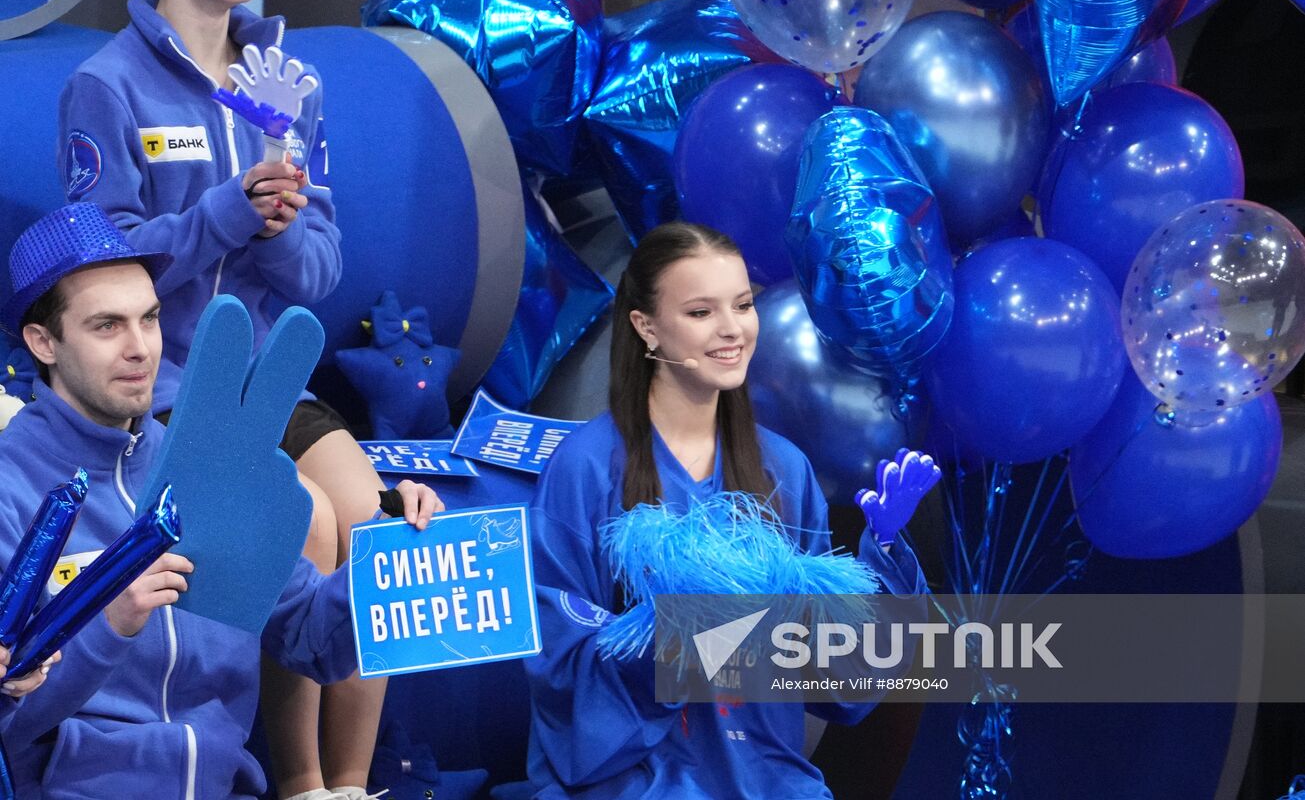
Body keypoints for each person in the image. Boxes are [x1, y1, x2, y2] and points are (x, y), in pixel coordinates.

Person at [56, 0, 397, 800]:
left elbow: (319, 271)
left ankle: (351, 785)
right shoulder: (108, 84)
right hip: (169, 390)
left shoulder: (286, 83)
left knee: (369, 524)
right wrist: (228, 213)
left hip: (272, 377)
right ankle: (295, 782)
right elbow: (100, 266)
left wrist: (279, 228)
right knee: (306, 524)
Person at [0, 203, 440, 799]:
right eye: (107, 326)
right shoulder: (11, 491)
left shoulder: (211, 463)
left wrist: (389, 555)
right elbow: (10, 724)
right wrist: (111, 623)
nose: (140, 348)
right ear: (42, 343)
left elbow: (313, 643)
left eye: (150, 320)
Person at [524, 221, 936, 799]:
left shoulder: (785, 470)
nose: (732, 330)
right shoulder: (586, 467)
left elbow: (836, 683)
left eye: (743, 305)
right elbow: (560, 659)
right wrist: (682, 631)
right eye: (700, 313)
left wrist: (882, 566)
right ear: (646, 327)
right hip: (637, 782)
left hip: (767, 778)